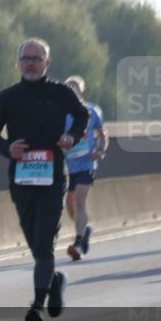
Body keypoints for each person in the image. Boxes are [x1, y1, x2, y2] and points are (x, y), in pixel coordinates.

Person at [0, 38, 89, 321]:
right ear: (18, 63)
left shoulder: (60, 93)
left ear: (47, 63)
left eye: (36, 58)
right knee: (35, 245)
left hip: (53, 177)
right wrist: (8, 148)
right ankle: (54, 280)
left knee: (44, 243)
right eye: (25, 58)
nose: (30, 62)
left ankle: (36, 307)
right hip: (21, 180)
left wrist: (72, 137)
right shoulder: (7, 97)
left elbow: (83, 115)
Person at [61, 75, 108, 260]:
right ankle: (84, 229)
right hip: (68, 165)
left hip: (87, 163)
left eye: (75, 87)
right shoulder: (60, 113)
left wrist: (101, 150)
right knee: (70, 204)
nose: (72, 90)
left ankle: (79, 243)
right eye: (68, 87)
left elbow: (102, 134)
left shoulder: (91, 110)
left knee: (80, 200)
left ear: (82, 91)